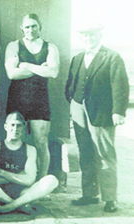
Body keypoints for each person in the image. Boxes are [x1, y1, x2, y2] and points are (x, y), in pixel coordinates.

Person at [65, 23, 129, 213]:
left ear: (99, 35)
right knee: (85, 152)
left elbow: (120, 86)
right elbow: (70, 83)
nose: (88, 38)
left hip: (102, 112)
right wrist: (73, 102)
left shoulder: (112, 57)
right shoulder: (77, 58)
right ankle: (89, 194)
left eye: (92, 35)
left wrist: (118, 111)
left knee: (105, 155)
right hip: (78, 109)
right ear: (81, 37)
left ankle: (110, 199)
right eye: (85, 35)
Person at [4, 13, 60, 179]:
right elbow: (11, 73)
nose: (30, 29)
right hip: (17, 99)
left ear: (39, 27)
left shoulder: (50, 47)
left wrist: (27, 65)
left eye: (34, 26)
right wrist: (40, 69)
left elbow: (54, 71)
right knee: (14, 141)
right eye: (27, 26)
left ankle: (41, 181)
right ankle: (15, 178)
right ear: (22, 28)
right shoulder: (14, 46)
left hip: (39, 100)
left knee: (41, 142)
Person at [0, 111, 58, 216]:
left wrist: (2, 173)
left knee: (52, 180)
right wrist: (20, 176)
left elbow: (30, 180)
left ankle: (7, 207)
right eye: (12, 125)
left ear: (23, 128)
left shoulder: (30, 150)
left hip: (22, 194)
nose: (15, 129)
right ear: (5, 126)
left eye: (19, 126)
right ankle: (16, 206)